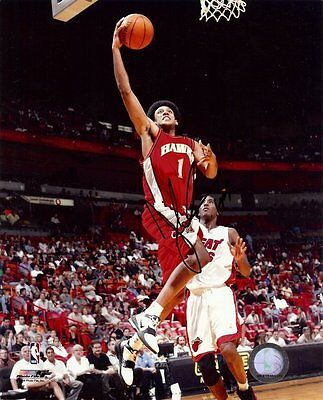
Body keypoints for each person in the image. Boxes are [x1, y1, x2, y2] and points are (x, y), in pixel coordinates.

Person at [112, 18, 217, 384]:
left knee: (182, 285)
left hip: (183, 218)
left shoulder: (189, 144)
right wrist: (116, 50)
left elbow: (212, 173)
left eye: (169, 110)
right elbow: (127, 93)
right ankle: (147, 321)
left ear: (178, 118)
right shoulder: (150, 136)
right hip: (159, 212)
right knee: (198, 260)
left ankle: (133, 344)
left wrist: (211, 158)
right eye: (159, 111)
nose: (164, 112)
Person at [185, 196, 257, 400]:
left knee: (227, 348)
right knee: (205, 365)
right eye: (202, 203)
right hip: (195, 297)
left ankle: (244, 389)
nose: (205, 204)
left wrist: (240, 258)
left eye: (211, 202)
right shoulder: (189, 230)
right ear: (198, 211)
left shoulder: (228, 232)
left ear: (217, 211)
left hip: (220, 292)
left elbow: (246, 272)